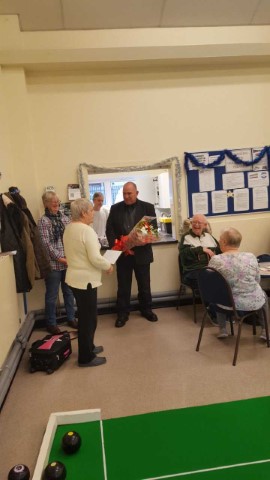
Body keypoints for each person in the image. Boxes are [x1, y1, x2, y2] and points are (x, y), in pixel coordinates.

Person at [63, 198, 113, 367]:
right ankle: (85, 357)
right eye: (91, 210)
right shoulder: (86, 230)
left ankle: (89, 346)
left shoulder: (69, 228)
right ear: (84, 213)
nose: (94, 212)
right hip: (86, 281)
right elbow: (95, 258)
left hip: (74, 279)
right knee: (88, 319)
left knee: (86, 317)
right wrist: (108, 266)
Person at [106, 181, 158, 328]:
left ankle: (147, 310)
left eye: (129, 193)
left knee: (144, 285)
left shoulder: (148, 207)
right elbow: (109, 229)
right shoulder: (115, 208)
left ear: (137, 193)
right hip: (123, 254)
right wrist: (116, 245)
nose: (126, 196)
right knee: (123, 286)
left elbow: (152, 230)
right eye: (124, 194)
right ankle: (122, 314)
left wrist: (143, 240)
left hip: (142, 253)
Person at [209, 227, 269, 340]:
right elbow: (257, 280)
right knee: (263, 295)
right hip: (252, 302)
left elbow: (212, 284)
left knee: (219, 292)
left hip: (226, 304)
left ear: (224, 242)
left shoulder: (216, 260)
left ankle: (222, 329)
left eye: (220, 239)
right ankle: (266, 331)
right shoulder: (251, 256)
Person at [38, 191, 77, 334]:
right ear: (46, 204)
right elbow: (45, 244)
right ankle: (51, 323)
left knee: (69, 292)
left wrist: (70, 257)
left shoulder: (65, 218)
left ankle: (71, 318)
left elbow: (71, 236)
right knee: (52, 296)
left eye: (57, 201)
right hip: (54, 265)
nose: (56, 204)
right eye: (52, 202)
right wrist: (61, 258)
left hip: (68, 262)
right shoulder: (43, 221)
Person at [179, 213, 220, 289]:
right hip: (193, 270)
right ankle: (210, 300)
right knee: (209, 279)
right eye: (194, 222)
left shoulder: (209, 236)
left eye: (199, 222)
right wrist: (201, 249)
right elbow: (183, 254)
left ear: (205, 225)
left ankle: (219, 300)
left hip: (211, 268)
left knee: (225, 276)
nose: (196, 225)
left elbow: (220, 250)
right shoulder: (186, 237)